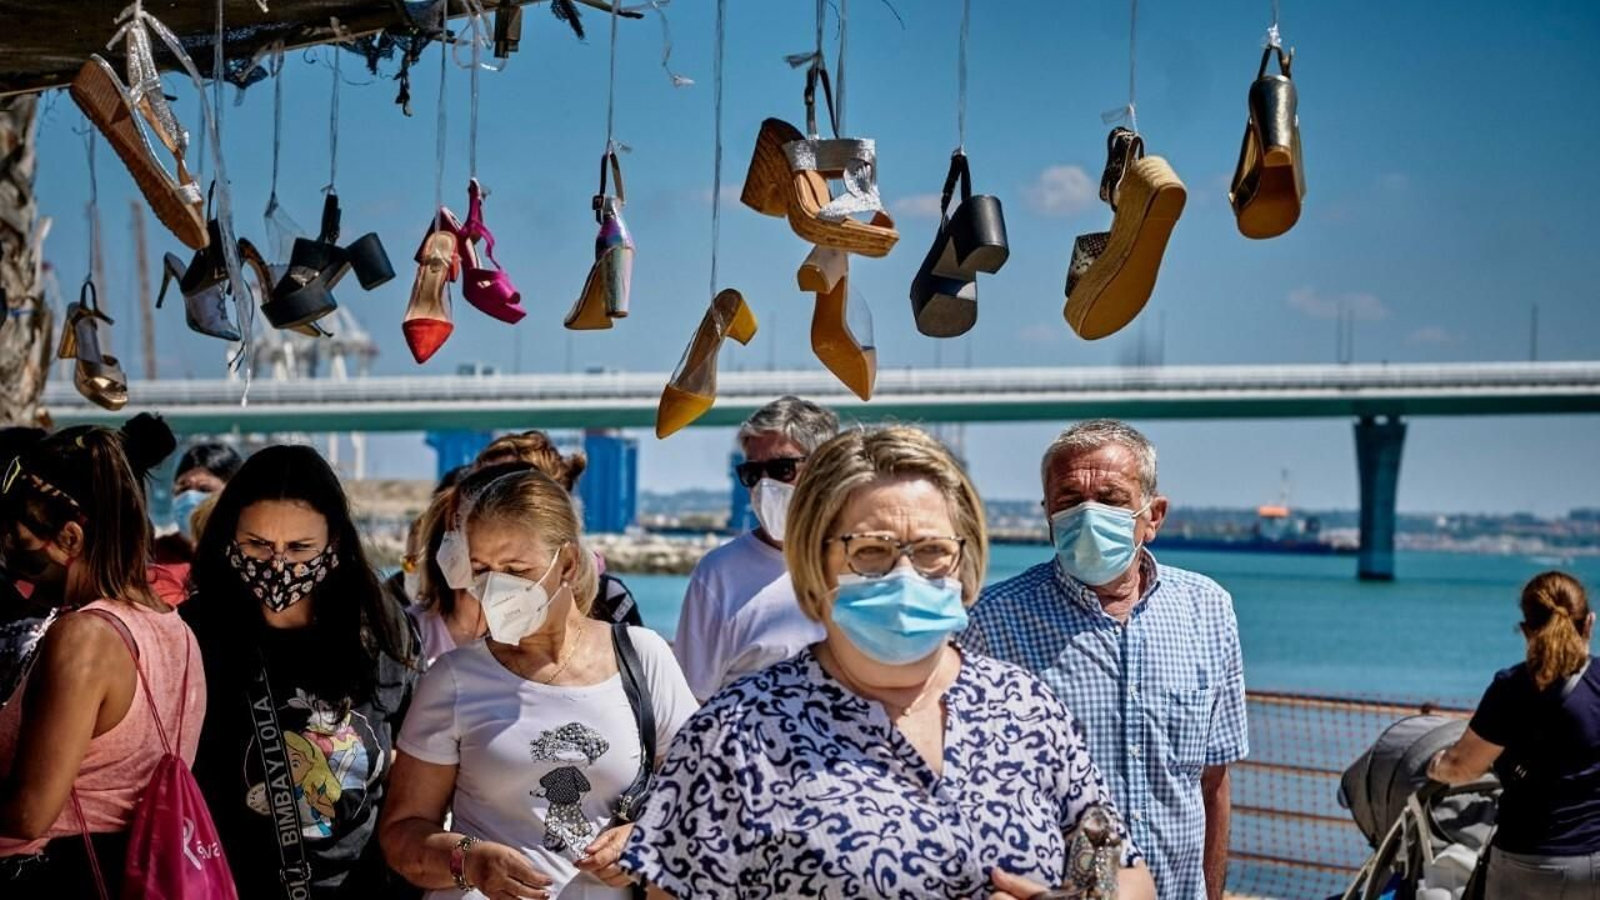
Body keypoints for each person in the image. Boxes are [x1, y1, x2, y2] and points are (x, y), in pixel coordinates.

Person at [620, 426, 1155, 899]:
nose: (905, 574)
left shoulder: (1025, 708)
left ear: (964, 560)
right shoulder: (732, 737)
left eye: (931, 551)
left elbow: (1123, 868)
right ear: (816, 564)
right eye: (871, 551)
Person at [961, 419, 1248, 900]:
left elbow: (1212, 782)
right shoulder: (991, 621)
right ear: (1048, 514)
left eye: (1111, 499)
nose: (1089, 514)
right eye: (1070, 499)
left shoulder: (1208, 610)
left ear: (1153, 516)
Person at [379, 467, 698, 899]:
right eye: (481, 569)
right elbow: (403, 834)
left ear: (566, 564)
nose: (496, 587)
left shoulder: (643, 658)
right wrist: (469, 862)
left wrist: (645, 837)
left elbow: (703, 796)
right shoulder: (453, 678)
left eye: (515, 569)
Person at [183, 444, 419, 899]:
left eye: (299, 548)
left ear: (335, 544)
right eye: (257, 545)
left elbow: (412, 755)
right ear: (229, 540)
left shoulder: (381, 631)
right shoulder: (193, 635)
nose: (278, 564)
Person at [0, 427, 206, 896]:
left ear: (70, 537)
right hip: (123, 873)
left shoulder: (85, 638)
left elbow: (30, 813)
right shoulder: (176, 630)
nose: (10, 556)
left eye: (16, 539)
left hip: (52, 875)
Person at [1428, 571, 1600, 898]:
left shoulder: (1511, 688)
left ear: (1525, 631)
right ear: (1589, 623)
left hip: (1529, 862)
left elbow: (1462, 768)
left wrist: (1435, 766)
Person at [672, 395, 836, 701]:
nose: (764, 485)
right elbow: (691, 700)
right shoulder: (719, 573)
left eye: (782, 468)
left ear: (825, 468)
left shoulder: (863, 562)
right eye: (752, 473)